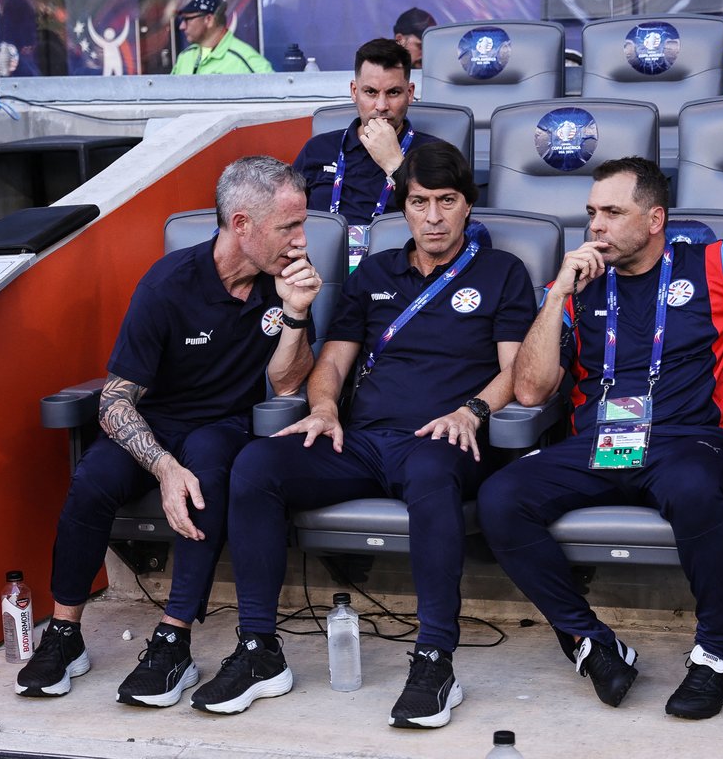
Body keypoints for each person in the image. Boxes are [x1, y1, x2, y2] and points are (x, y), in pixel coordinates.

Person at [190, 142, 537, 727]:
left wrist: (472, 410)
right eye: (420, 202)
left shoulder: (501, 272)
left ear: (468, 207)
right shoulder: (373, 273)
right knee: (255, 465)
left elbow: (517, 370)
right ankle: (258, 649)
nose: (433, 217)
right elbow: (333, 360)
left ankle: (434, 659)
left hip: (443, 442)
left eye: (447, 202)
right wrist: (324, 407)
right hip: (364, 440)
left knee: (431, 472)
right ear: (403, 208)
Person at [478, 157, 723, 720]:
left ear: (655, 218)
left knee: (692, 488)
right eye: (591, 214)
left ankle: (716, 654)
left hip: (688, 438)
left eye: (613, 213)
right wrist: (558, 294)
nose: (596, 227)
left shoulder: (718, 263)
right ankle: (589, 641)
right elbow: (532, 391)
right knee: (500, 497)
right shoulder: (580, 285)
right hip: (598, 441)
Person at [15, 157, 321, 706]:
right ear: (242, 224)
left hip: (229, 426)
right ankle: (64, 632)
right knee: (94, 477)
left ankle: (173, 640)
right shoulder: (168, 284)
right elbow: (114, 400)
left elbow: (288, 384)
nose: (301, 241)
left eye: (302, 226)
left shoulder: (285, 282)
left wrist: (296, 314)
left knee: (205, 469)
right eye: (289, 227)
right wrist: (162, 466)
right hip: (156, 428)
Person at [292, 38, 444, 243]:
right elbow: (282, 217)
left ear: (410, 93)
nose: (381, 106)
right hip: (320, 269)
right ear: (355, 92)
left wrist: (395, 165)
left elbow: (442, 225)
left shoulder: (436, 153)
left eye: (393, 92)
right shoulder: (318, 149)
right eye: (371, 92)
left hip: (397, 269)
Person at [172, 0, 273, 75]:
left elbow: (276, 92)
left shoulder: (243, 58)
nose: (182, 26)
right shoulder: (185, 57)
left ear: (209, 20)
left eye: (187, 19)